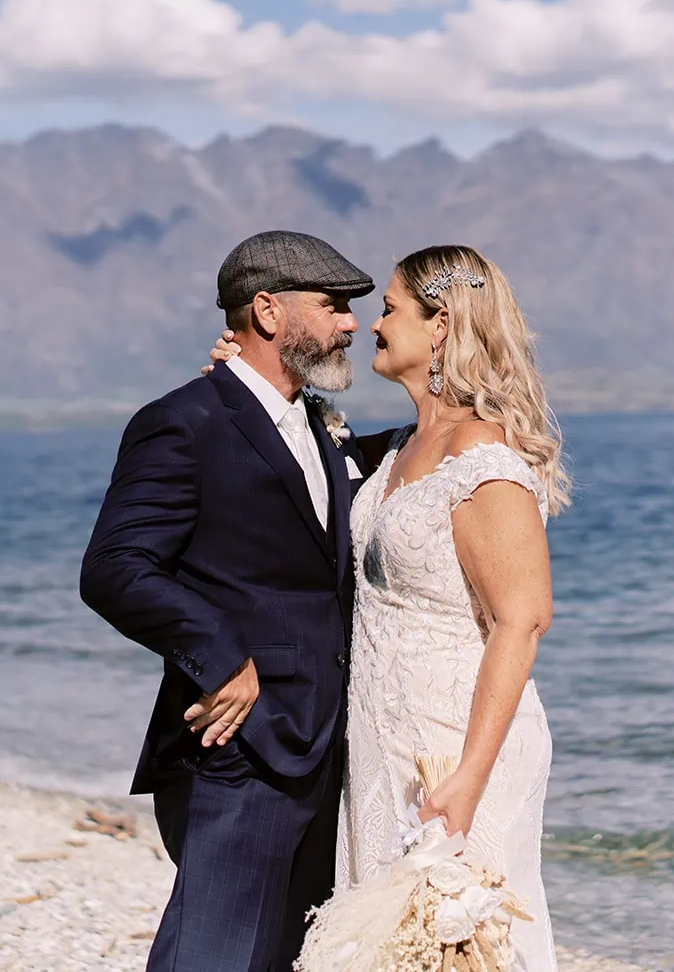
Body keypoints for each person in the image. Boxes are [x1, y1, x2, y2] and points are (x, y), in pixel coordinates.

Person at [211, 244, 571, 970]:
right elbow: (305, 463)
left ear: (439, 326)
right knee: (387, 945)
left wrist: (468, 772)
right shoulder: (407, 446)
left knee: (468, 946)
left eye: (390, 309)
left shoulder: (483, 457)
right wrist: (245, 380)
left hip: (456, 741)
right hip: (383, 739)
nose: (373, 325)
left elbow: (522, 618)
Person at [80, 229, 375, 972]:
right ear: (269, 311)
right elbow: (115, 566)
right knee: (208, 958)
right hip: (235, 743)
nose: (351, 322)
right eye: (334, 304)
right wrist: (221, 656)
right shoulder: (184, 421)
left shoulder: (315, 423)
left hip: (324, 745)